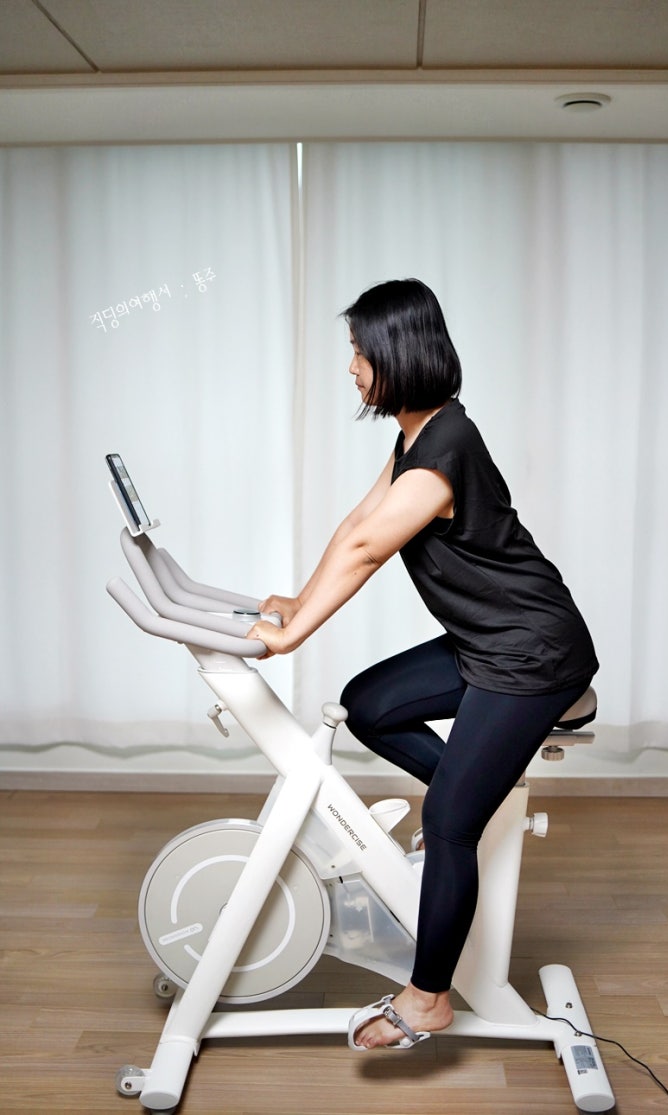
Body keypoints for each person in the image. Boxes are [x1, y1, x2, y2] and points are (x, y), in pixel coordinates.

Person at [248, 278, 598, 1051]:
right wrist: (295, 601)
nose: (350, 366)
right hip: (484, 641)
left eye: (358, 350)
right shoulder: (418, 433)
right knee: (367, 704)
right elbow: (358, 522)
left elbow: (369, 551)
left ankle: (429, 995)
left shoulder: (446, 449)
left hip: (532, 652)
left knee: (445, 824)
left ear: (397, 352)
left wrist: (291, 635)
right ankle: (468, 798)